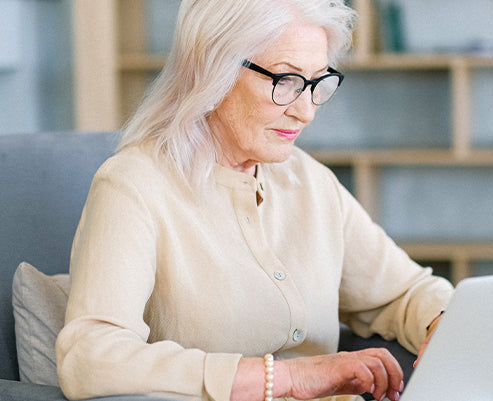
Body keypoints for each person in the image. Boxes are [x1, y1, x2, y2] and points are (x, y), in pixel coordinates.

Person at [56, 1, 454, 401]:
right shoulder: (134, 185)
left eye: (317, 82)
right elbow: (91, 358)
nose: (306, 112)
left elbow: (403, 293)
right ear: (212, 71)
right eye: (285, 81)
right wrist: (287, 378)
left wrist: (447, 323)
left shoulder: (309, 179)